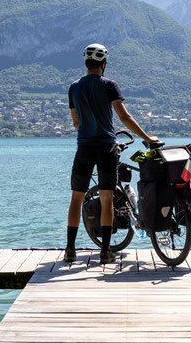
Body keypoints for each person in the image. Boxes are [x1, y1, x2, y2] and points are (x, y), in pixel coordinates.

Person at [65, 43, 158, 264]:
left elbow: (76, 122)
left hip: (84, 146)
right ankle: (106, 252)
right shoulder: (109, 85)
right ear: (103, 64)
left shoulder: (74, 88)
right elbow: (124, 118)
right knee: (107, 198)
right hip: (106, 146)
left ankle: (70, 250)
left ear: (86, 63)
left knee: (77, 197)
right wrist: (147, 138)